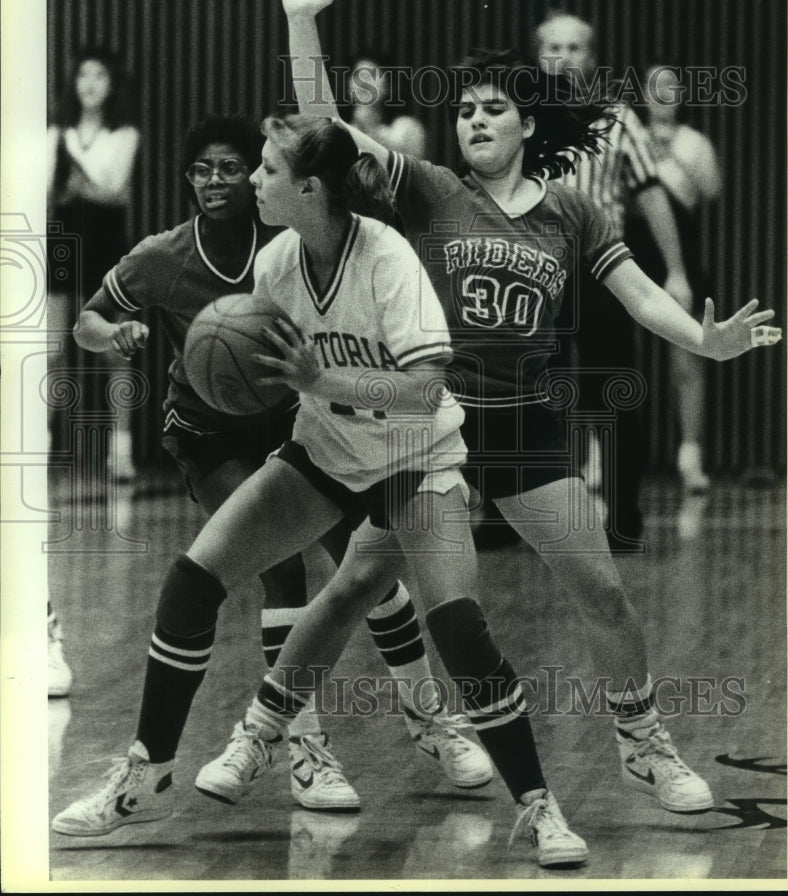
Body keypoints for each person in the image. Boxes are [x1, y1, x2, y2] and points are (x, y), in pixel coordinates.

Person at [254, 0, 781, 852]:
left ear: (528, 124)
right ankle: (259, 734)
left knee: (602, 592)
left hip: (529, 429)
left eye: (493, 109)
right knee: (350, 591)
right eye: (464, 111)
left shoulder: (574, 210)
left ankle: (641, 740)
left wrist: (707, 338)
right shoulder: (425, 189)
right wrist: (303, 25)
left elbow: (637, 291)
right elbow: (326, 133)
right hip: (427, 432)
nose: (475, 122)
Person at [51, 111, 589, 869]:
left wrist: (323, 379)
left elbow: (430, 392)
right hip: (326, 455)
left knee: (460, 629)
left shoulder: (387, 259)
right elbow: (256, 370)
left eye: (267, 170)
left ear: (308, 187)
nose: (254, 182)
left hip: (414, 461)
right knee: (192, 580)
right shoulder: (277, 265)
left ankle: (538, 806)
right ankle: (147, 769)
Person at [533, 12, 695, 548]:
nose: (563, 56)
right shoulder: (517, 116)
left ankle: (623, 517)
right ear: (538, 55)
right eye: (553, 46)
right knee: (532, 395)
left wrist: (674, 272)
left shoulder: (619, 118)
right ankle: (528, 519)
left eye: (575, 47)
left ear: (593, 58)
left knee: (612, 393)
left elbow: (651, 195)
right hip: (536, 276)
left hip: (603, 271)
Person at [47, 45, 141, 478]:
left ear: (111, 84)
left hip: (105, 239)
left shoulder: (124, 133)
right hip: (63, 239)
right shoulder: (56, 133)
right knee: (52, 349)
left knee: (114, 348)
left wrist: (78, 184)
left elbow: (115, 191)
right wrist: (71, 189)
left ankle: (120, 452)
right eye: (83, 74)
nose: (89, 83)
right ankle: (43, 443)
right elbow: (49, 193)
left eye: (99, 75)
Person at [634, 64, 722, 492]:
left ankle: (690, 457)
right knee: (614, 354)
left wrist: (672, 158)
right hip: (632, 251)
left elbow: (712, 190)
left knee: (687, 358)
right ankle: (598, 457)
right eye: (655, 87)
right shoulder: (629, 135)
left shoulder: (695, 142)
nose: (663, 94)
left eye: (671, 87)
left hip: (679, 256)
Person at [346, 48, 428, 158]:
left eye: (371, 74)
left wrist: (369, 127)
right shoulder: (335, 130)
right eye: (357, 74)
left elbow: (404, 162)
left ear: (389, 85)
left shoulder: (408, 127)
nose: (363, 81)